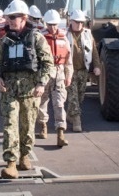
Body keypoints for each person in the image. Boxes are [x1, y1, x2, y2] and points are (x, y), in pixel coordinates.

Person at [0, 0, 54, 179]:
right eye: (8, 17)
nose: (10, 20)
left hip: (30, 91)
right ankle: (11, 162)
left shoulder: (36, 38)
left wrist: (42, 83)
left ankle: (25, 155)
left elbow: (47, 63)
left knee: (27, 126)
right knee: (10, 125)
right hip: (9, 90)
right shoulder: (4, 41)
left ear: (24, 17)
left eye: (13, 17)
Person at [36, 9, 73, 147]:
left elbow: (69, 59)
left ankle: (60, 133)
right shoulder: (40, 37)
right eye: (50, 24)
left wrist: (69, 75)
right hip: (44, 74)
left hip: (59, 73)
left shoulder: (64, 37)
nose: (52, 27)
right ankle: (43, 126)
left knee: (59, 103)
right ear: (46, 23)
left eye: (55, 24)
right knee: (41, 103)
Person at [66, 9, 101, 132]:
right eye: (77, 22)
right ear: (71, 21)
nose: (79, 24)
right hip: (69, 71)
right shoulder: (65, 34)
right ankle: (77, 121)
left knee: (80, 96)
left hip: (83, 70)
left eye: (82, 22)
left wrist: (97, 66)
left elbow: (94, 51)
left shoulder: (87, 33)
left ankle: (70, 114)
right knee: (73, 95)